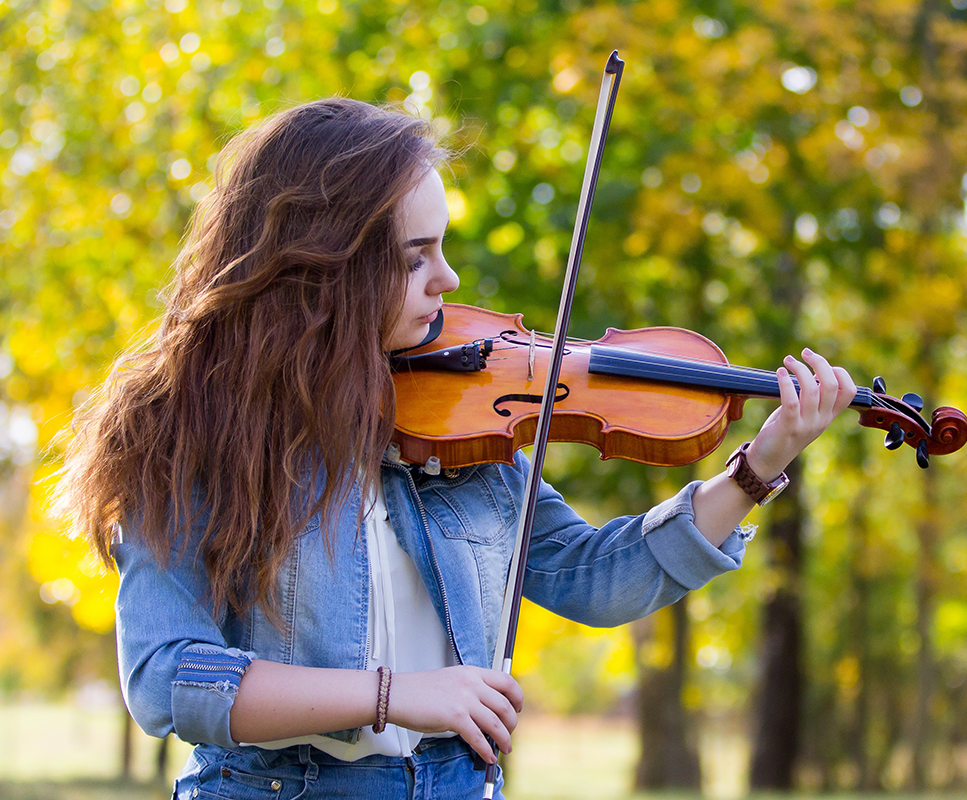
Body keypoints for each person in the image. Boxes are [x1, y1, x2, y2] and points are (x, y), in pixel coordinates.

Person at [57, 97, 857, 800]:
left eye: (441, 247)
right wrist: (390, 695)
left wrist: (757, 467)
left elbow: (593, 578)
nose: (448, 277)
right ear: (325, 263)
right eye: (415, 256)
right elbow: (167, 677)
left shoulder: (458, 418)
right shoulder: (191, 432)